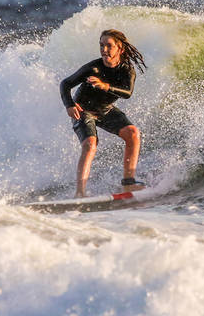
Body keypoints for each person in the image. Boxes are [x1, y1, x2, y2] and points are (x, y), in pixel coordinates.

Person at [59, 29, 146, 197]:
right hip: (83, 110)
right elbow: (65, 84)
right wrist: (69, 105)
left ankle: (128, 182)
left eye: (109, 46)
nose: (104, 50)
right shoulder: (93, 68)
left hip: (105, 110)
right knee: (90, 144)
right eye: (101, 45)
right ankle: (80, 193)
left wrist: (106, 86)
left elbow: (127, 93)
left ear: (120, 49)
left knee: (133, 133)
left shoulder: (127, 70)